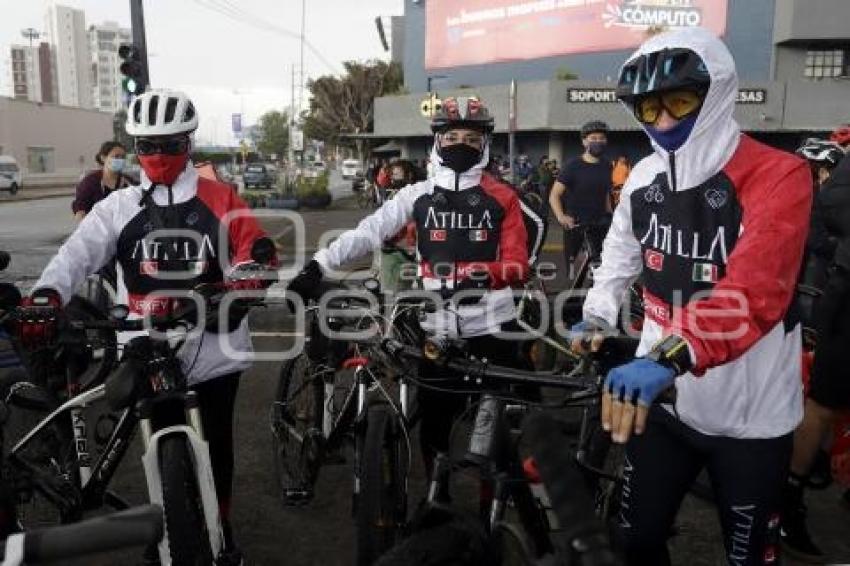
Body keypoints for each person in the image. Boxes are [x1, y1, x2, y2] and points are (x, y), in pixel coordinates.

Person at [571, 28, 812, 565]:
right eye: (649, 108)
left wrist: (668, 356)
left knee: (748, 558)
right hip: (664, 405)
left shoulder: (780, 174)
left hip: (751, 417)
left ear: (717, 91)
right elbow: (617, 259)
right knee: (634, 540)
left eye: (679, 102)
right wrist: (596, 315)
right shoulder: (642, 179)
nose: (663, 122)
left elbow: (753, 293)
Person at [15, 89, 274, 565]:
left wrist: (244, 285)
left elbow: (253, 250)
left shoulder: (221, 197)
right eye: (147, 147)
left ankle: (223, 524)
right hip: (142, 343)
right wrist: (48, 296)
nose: (158, 156)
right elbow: (76, 255)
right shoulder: (117, 206)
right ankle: (168, 526)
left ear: (189, 144)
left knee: (216, 447)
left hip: (214, 347)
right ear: (134, 149)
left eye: (170, 145)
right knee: (156, 440)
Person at [287, 95, 531, 483]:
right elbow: (369, 231)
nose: (461, 144)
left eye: (471, 136)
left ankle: (491, 515)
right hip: (437, 326)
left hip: (492, 325)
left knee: (496, 431)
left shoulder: (503, 197)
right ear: (437, 140)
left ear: (485, 142)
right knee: (434, 423)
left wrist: (481, 274)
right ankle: (439, 497)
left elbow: (519, 263)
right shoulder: (416, 195)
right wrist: (319, 265)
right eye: (451, 137)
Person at [781, 131, 850, 562]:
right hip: (843, 300)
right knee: (824, 403)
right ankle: (788, 497)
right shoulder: (834, 183)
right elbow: (833, 212)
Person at [549, 120, 613, 274]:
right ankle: (571, 295)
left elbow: (605, 193)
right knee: (574, 271)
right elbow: (554, 195)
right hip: (576, 225)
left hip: (600, 224)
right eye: (593, 138)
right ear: (584, 141)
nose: (598, 141)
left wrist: (611, 215)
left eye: (601, 138)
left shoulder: (607, 165)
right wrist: (561, 217)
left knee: (599, 270)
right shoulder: (572, 166)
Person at [71, 141, 135, 220]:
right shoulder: (90, 182)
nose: (120, 160)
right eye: (116, 156)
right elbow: (80, 208)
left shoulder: (128, 182)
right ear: (103, 158)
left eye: (123, 157)